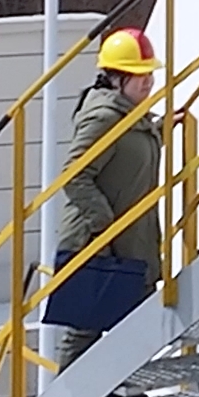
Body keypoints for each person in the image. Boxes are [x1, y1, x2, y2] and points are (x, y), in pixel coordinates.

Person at [52, 26, 163, 365]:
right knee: (86, 327)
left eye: (149, 74)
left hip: (128, 238)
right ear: (115, 79)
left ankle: (120, 388)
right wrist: (104, 224)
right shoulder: (104, 116)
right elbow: (74, 175)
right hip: (99, 239)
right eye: (138, 75)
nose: (147, 82)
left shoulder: (133, 116)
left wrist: (159, 130)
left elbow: (128, 153)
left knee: (131, 318)